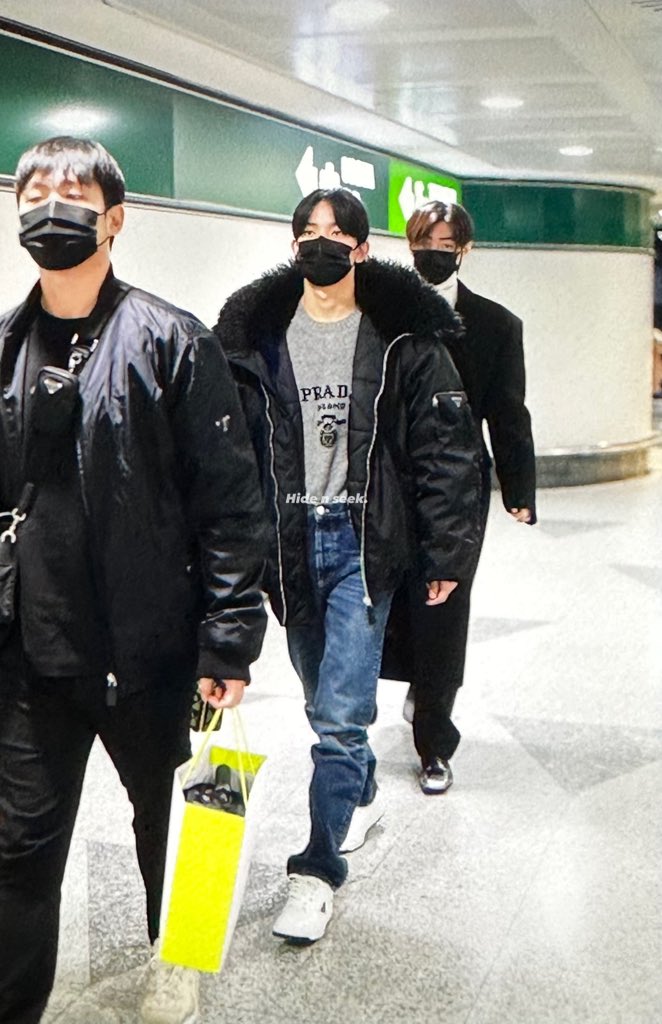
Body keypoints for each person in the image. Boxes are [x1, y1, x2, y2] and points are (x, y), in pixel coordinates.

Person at [0, 136, 267, 1024]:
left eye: (73, 191)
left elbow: (230, 501)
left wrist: (229, 639)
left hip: (153, 650)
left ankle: (179, 957)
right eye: (34, 190)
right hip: (34, 653)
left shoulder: (172, 341)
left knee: (181, 822)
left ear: (115, 219)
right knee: (17, 849)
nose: (51, 205)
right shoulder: (5, 344)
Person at [214, 187, 482, 944]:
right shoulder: (257, 342)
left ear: (362, 249)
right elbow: (230, 456)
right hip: (290, 544)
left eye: (335, 233)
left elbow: (447, 452)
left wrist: (445, 550)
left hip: (366, 544)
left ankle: (317, 871)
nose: (319, 242)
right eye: (307, 231)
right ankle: (361, 789)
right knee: (318, 700)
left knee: (338, 715)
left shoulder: (403, 341)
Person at [384, 199, 536, 795]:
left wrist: (518, 489)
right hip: (390, 483)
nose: (433, 253)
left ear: (464, 250)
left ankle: (434, 742)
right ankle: (417, 687)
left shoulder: (495, 325)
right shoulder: (383, 314)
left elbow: (508, 412)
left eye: (445, 245)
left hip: (457, 488)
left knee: (444, 608)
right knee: (396, 601)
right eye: (423, 242)